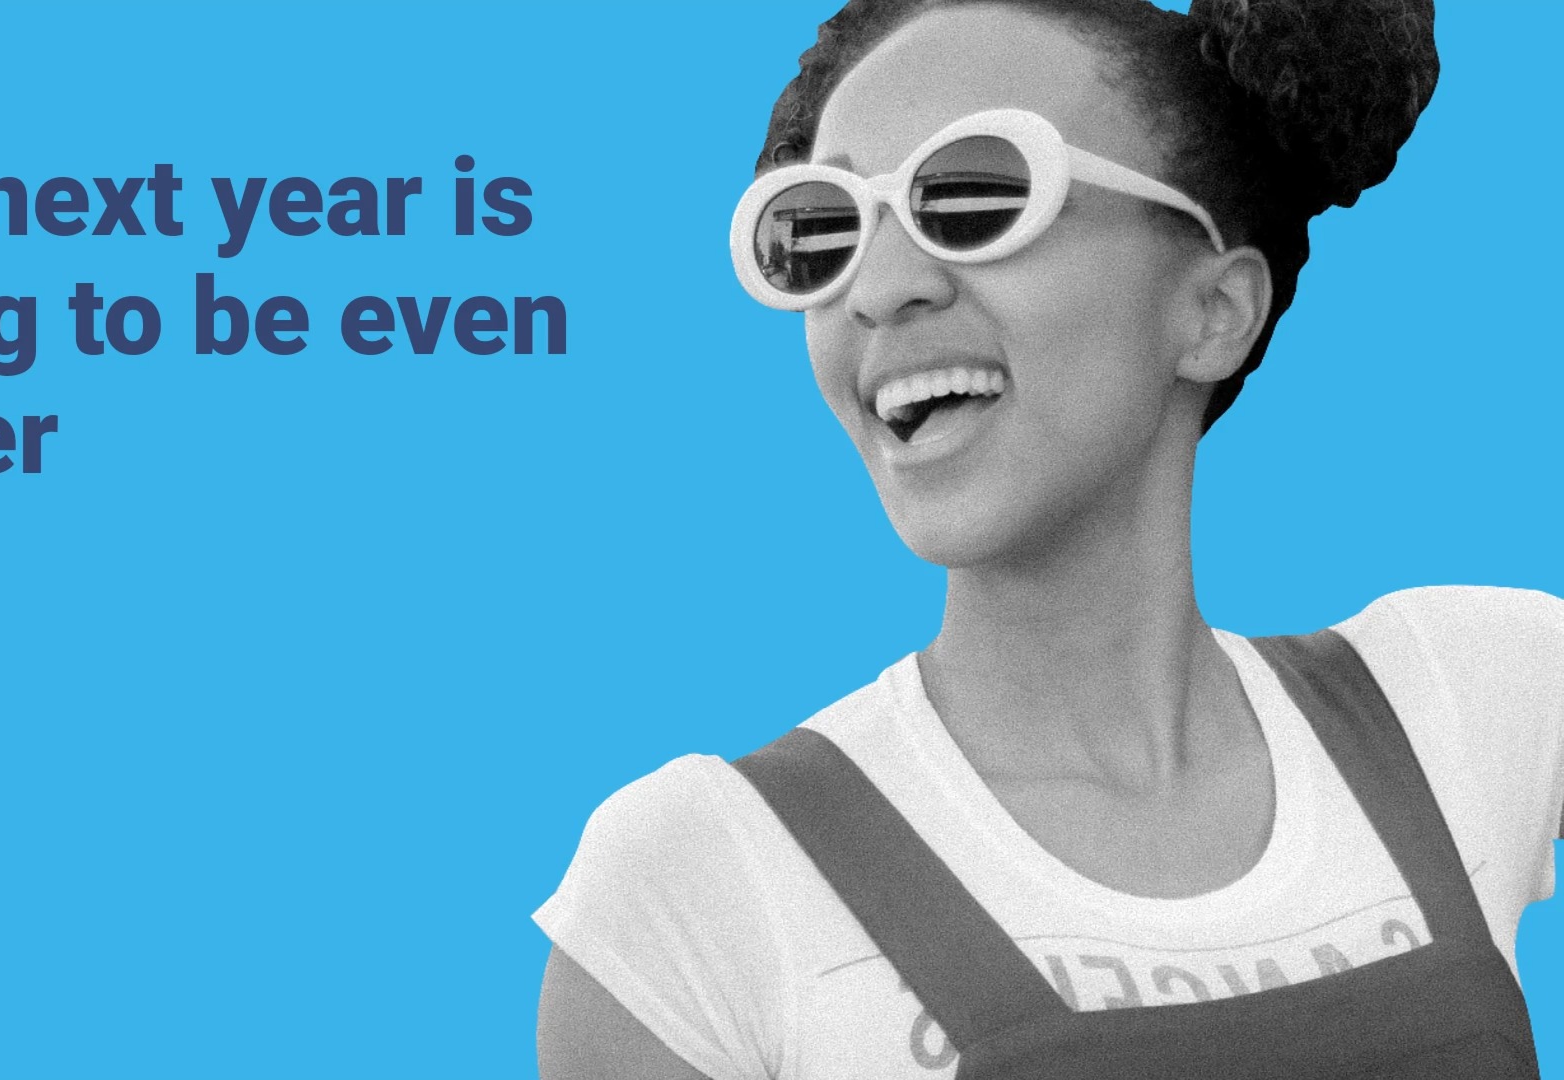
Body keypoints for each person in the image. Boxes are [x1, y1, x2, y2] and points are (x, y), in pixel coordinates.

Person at [534, 0, 1563, 1076]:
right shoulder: (701, 886)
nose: (879, 290)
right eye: (823, 231)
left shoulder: (1469, 696)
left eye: (973, 197)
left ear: (1215, 311)